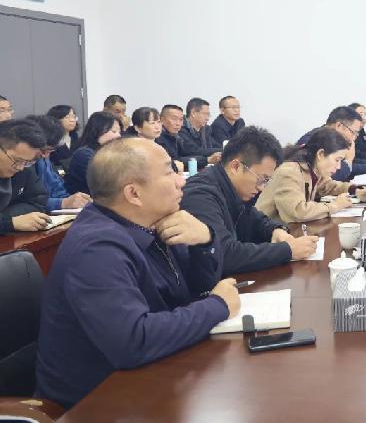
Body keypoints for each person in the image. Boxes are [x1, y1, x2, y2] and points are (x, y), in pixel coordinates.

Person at [35, 138, 239, 408]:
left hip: (148, 378)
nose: (181, 182)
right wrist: (218, 306)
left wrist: (205, 241)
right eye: (169, 172)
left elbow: (194, 291)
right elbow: (134, 341)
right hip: (95, 403)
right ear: (133, 194)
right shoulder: (97, 249)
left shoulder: (150, 223)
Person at [180, 126, 319, 275]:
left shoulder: (233, 189)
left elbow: (254, 219)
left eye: (267, 181)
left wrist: (275, 231)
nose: (262, 188)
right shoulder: (200, 195)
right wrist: (288, 251)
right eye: (262, 179)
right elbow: (225, 255)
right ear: (235, 167)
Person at [257, 127, 366, 224]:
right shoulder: (289, 171)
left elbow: (329, 186)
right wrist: (334, 206)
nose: (339, 167)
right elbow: (297, 212)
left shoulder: (312, 168)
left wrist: (355, 191)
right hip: (265, 236)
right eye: (337, 160)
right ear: (320, 154)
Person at [26, 115, 91, 212]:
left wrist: (73, 200)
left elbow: (57, 187)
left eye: (50, 150)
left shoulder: (44, 159)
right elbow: (27, 202)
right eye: (44, 150)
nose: (45, 155)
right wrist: (63, 202)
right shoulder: (22, 164)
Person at [298, 107, 366, 182]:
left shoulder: (331, 140)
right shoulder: (313, 141)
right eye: (353, 132)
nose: (354, 138)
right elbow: (331, 177)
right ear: (339, 126)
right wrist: (348, 161)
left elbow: (351, 161)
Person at [0, 119, 50, 233]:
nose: (20, 168)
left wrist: (8, 218)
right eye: (17, 160)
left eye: (27, 162)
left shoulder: (24, 169)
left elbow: (38, 202)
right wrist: (9, 222)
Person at [64, 111, 122, 195]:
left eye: (119, 132)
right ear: (98, 131)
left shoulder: (111, 152)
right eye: (114, 131)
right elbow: (108, 183)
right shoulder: (84, 154)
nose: (118, 136)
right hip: (86, 200)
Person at [179, 98, 223, 166]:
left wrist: (227, 148)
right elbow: (195, 151)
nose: (207, 118)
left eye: (208, 115)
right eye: (205, 114)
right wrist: (223, 150)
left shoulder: (206, 129)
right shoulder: (180, 129)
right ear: (193, 113)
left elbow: (213, 146)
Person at [156, 104, 188, 172]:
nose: (178, 123)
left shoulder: (178, 137)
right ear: (161, 120)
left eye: (181, 120)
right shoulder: (157, 138)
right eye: (174, 119)